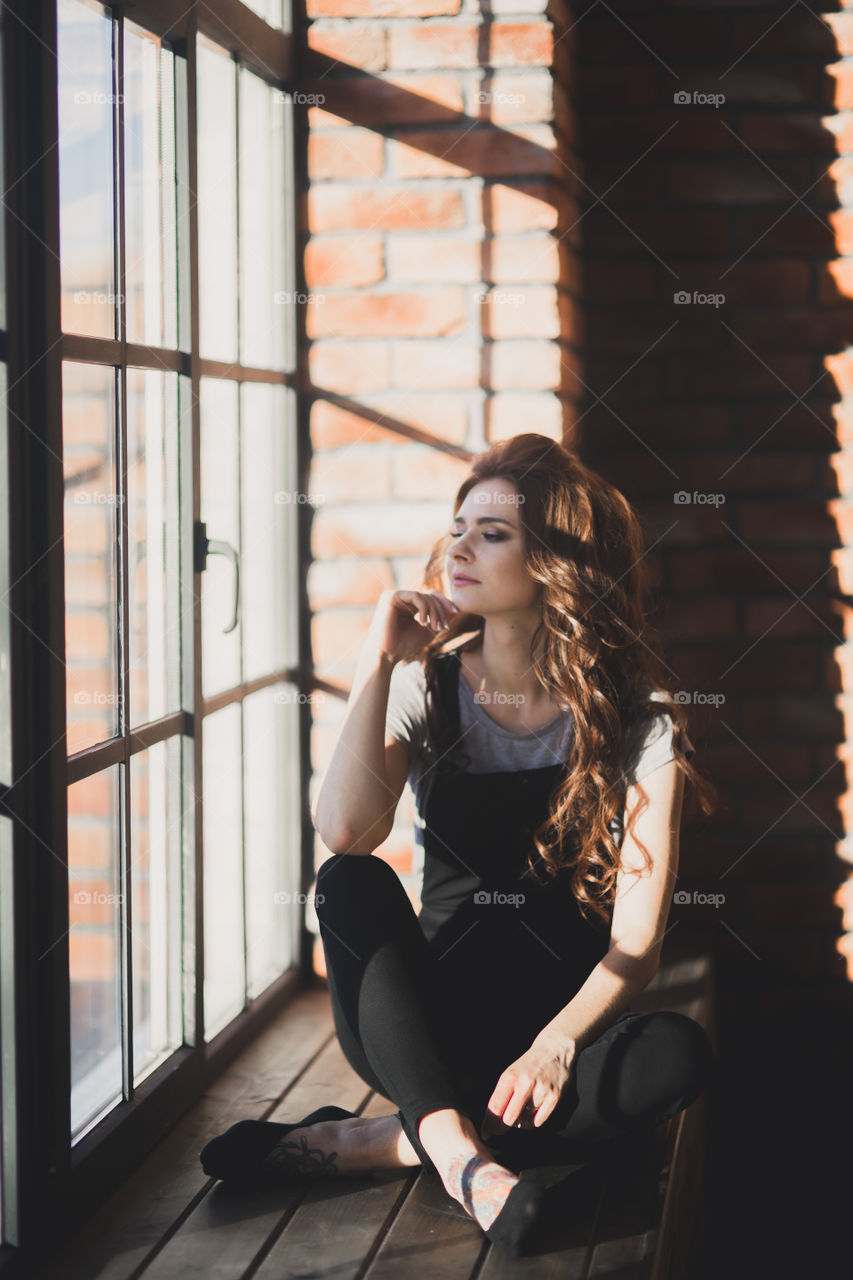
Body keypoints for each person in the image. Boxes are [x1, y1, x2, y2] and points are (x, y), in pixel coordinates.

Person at [200, 433, 719, 1256]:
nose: (460, 547)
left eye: (493, 532)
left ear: (553, 561)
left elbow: (638, 945)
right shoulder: (424, 683)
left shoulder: (638, 714)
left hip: (553, 1038)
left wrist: (556, 1045)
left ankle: (384, 1141)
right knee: (348, 882)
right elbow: (345, 831)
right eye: (458, 526)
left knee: (676, 1054)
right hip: (424, 1033)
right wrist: (376, 661)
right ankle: (460, 1156)